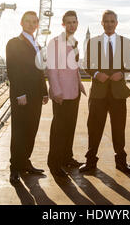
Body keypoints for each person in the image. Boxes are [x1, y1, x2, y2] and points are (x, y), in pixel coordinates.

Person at [79, 10, 130, 174]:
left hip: (118, 93)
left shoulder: (125, 42)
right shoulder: (93, 42)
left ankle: (121, 162)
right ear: (101, 23)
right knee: (94, 128)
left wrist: (123, 73)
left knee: (119, 128)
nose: (109, 24)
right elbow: (87, 64)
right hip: (98, 93)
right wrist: (96, 74)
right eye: (106, 21)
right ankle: (90, 161)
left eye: (112, 21)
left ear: (116, 23)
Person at [6, 11, 49, 183]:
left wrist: (44, 91)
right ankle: (15, 167)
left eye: (34, 22)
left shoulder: (37, 45)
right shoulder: (14, 43)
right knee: (19, 132)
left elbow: (40, 71)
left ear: (37, 24)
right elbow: (13, 70)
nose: (31, 25)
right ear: (21, 23)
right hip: (22, 95)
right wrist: (20, 93)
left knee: (32, 129)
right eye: (28, 21)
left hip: (36, 95)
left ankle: (25, 162)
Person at [46, 10, 86, 178]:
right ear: (63, 24)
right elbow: (52, 69)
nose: (71, 25)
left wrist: (79, 84)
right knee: (59, 130)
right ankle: (54, 163)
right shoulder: (55, 43)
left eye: (74, 22)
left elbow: (74, 67)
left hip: (74, 92)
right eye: (68, 22)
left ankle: (66, 158)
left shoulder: (74, 42)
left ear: (77, 24)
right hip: (61, 94)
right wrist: (56, 90)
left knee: (70, 128)